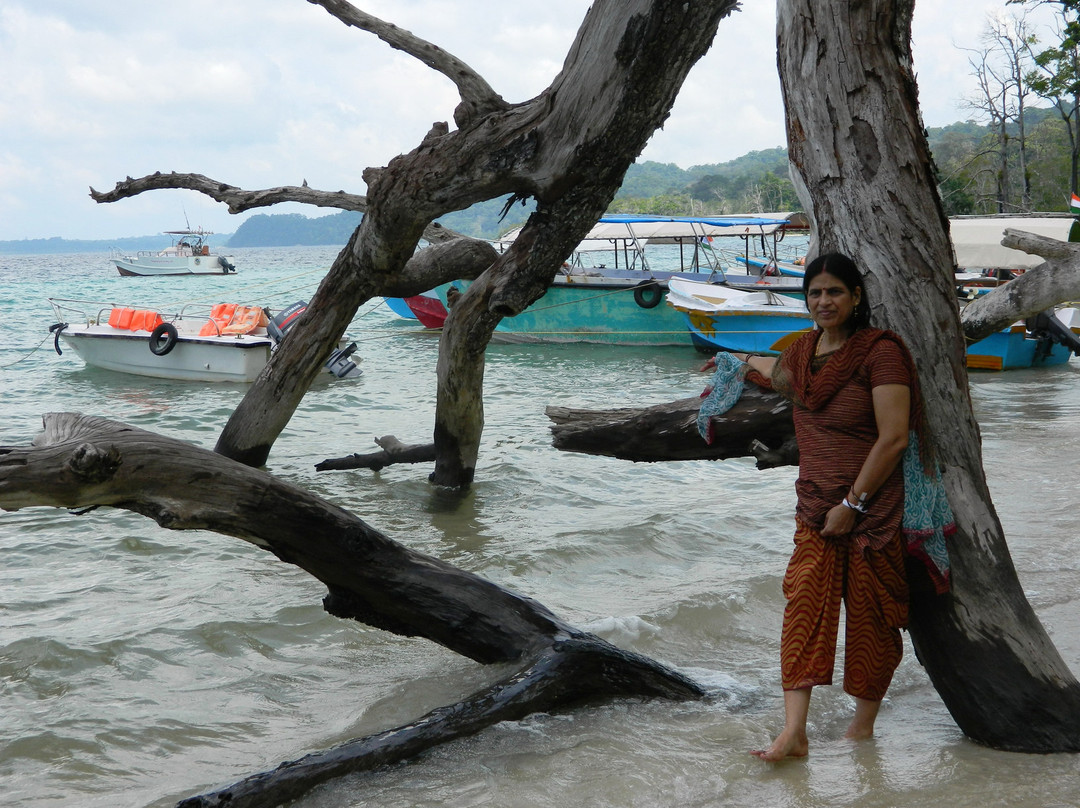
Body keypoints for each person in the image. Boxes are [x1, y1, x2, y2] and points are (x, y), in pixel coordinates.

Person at [730, 253, 915, 761]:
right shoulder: (801, 353)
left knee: (873, 615)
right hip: (814, 505)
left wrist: (853, 503)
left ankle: (861, 728)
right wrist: (741, 361)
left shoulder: (882, 354)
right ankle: (795, 732)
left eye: (834, 291)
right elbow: (777, 373)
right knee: (803, 607)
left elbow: (895, 437)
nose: (823, 301)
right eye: (814, 293)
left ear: (856, 297)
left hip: (872, 507)